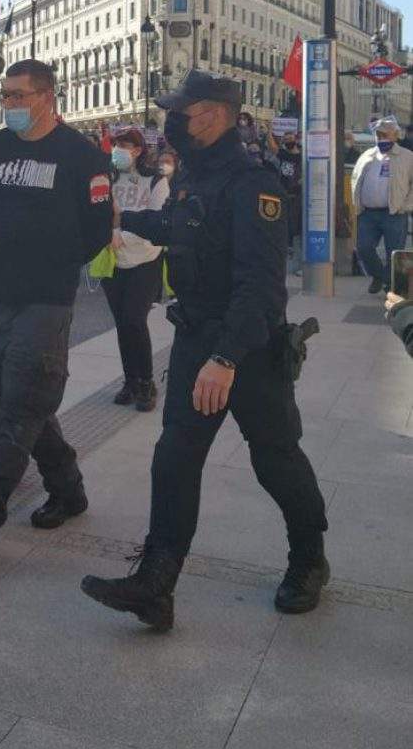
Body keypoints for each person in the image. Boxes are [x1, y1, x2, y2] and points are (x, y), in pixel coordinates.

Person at [80, 70, 330, 633]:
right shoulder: (196, 176)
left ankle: (310, 558)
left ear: (215, 114)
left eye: (181, 111)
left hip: (248, 347)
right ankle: (156, 583)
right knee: (175, 458)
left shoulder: (252, 183)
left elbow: (261, 288)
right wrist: (125, 220)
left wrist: (226, 359)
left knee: (275, 458)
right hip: (197, 337)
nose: (172, 122)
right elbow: (179, 226)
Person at [0, 61, 113, 559]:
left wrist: (53, 261)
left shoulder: (81, 155)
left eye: (17, 96)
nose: (8, 105)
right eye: (4, 96)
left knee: (19, 402)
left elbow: (96, 230)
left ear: (48, 97)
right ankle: (67, 488)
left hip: (47, 297)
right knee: (21, 397)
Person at [102, 125, 168, 412]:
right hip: (114, 259)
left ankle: (146, 382)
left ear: (138, 150)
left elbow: (157, 221)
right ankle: (130, 381)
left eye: (125, 145)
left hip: (145, 259)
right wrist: (108, 232)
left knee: (134, 319)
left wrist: (122, 229)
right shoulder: (109, 177)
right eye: (117, 145)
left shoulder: (155, 180)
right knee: (122, 323)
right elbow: (98, 211)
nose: (119, 150)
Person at [350, 118, 413, 294]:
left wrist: (406, 205)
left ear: (395, 135)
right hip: (368, 213)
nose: (381, 137)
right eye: (378, 134)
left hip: (394, 213)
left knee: (393, 253)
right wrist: (358, 205)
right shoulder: (367, 155)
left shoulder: (407, 157)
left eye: (385, 134)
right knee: (363, 248)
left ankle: (390, 285)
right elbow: (355, 180)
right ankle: (381, 277)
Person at [273, 130, 303, 272]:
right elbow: (273, 148)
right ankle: (287, 247)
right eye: (285, 139)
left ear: (296, 140)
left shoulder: (302, 156)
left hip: (297, 195)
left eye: (290, 139)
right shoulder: (284, 155)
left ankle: (292, 249)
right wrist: (269, 132)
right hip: (284, 193)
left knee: (294, 224)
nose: (287, 141)